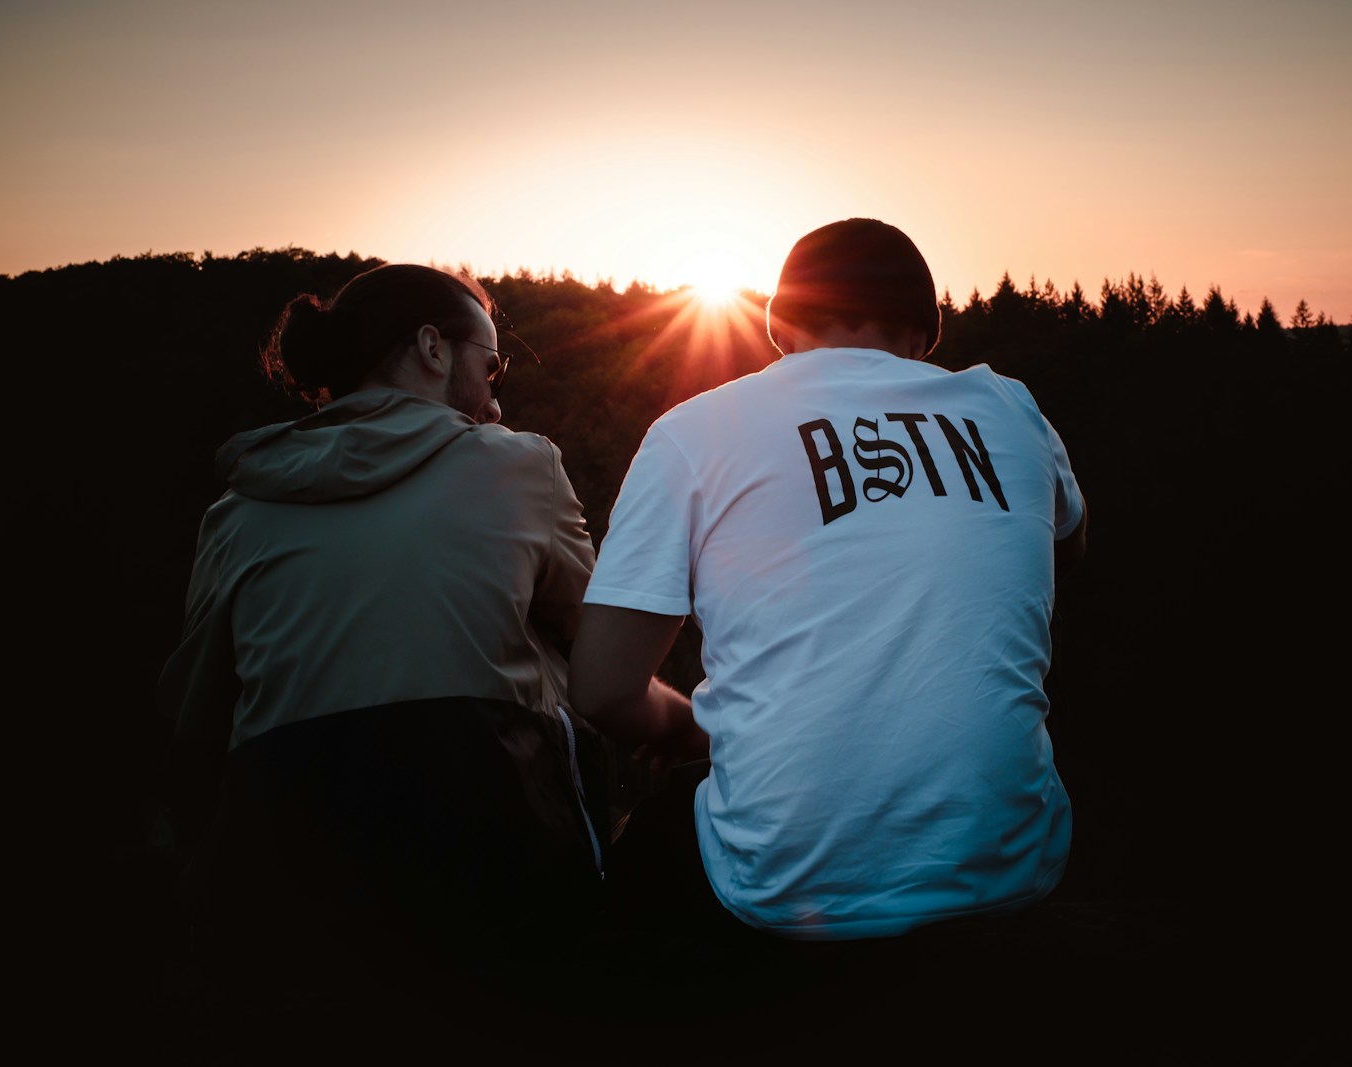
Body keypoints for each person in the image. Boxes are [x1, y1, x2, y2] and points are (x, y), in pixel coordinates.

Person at [570, 218, 1087, 943]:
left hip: (781, 888)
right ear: (922, 337)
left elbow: (600, 688)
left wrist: (689, 726)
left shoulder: (693, 431)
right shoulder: (1014, 412)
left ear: (779, 326)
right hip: (1011, 862)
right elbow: (1062, 559)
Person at [156, 264, 605, 1004]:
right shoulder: (522, 467)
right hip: (494, 869)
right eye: (490, 362)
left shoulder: (235, 511)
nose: (497, 389)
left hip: (285, 899)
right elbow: (601, 656)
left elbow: (194, 718)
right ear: (432, 348)